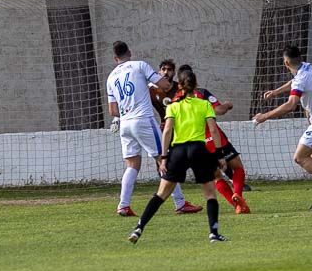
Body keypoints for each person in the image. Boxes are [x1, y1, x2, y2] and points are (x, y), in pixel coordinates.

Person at [128, 69, 227, 244]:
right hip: (198, 149)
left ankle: (139, 228)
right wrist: (219, 155)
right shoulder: (204, 105)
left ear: (179, 86)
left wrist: (164, 157)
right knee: (210, 194)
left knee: (161, 194)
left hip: (178, 151)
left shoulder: (173, 106)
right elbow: (213, 130)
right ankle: (214, 233)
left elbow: (167, 131)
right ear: (195, 85)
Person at [107, 41, 199, 217]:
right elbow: (164, 85)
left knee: (132, 164)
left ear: (115, 58)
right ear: (130, 52)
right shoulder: (139, 65)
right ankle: (180, 204)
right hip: (143, 120)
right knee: (165, 159)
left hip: (125, 124)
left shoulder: (111, 77)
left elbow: (113, 110)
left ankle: (123, 205)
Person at [255, 45, 312, 210]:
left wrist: (264, 117)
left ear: (286, 62)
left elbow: (291, 105)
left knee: (300, 158)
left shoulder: (302, 77)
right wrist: (276, 92)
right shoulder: (307, 67)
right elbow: (293, 81)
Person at [174, 64, 251, 215]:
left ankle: (237, 206)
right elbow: (218, 110)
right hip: (215, 138)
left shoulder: (176, 101)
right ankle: (238, 196)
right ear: (194, 80)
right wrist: (227, 105)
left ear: (179, 82)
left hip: (197, 143)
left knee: (216, 177)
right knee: (237, 168)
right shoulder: (202, 94)